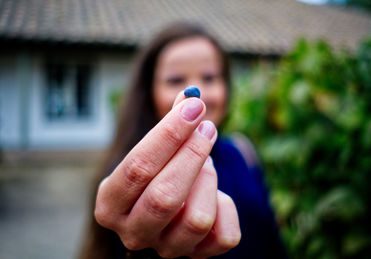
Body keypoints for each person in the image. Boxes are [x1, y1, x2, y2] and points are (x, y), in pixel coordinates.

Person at [80, 22, 287, 259]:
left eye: (210, 77)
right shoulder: (131, 176)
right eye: (176, 79)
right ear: (149, 93)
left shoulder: (243, 152)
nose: (198, 91)